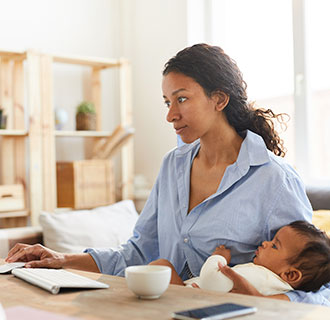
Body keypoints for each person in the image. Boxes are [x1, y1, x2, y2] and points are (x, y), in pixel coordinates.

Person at [7, 44, 327, 305]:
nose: (171, 114)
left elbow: (318, 283)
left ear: (219, 99)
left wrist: (263, 301)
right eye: (167, 102)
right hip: (165, 315)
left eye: (182, 99)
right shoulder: (173, 165)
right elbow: (139, 252)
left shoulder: (273, 179)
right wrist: (62, 259)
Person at [150, 221, 330, 297]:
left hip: (188, 296)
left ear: (290, 274)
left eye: (275, 245)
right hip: (194, 296)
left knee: (161, 265)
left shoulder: (263, 278)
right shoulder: (271, 281)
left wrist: (218, 257)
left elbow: (211, 279)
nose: (266, 243)